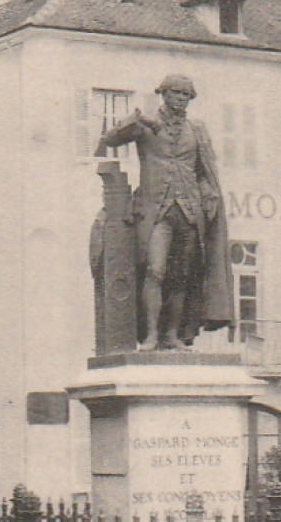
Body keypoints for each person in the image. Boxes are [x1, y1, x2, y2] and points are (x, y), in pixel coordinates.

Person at [99, 74, 234, 351]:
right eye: (177, 93)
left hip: (189, 211)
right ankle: (150, 335)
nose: (182, 99)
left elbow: (205, 171)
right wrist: (134, 120)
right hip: (156, 211)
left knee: (181, 276)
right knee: (155, 270)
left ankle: (172, 333)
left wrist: (209, 192)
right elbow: (109, 139)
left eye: (187, 94)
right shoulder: (147, 125)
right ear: (164, 94)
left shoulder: (197, 129)